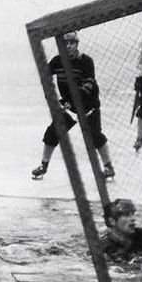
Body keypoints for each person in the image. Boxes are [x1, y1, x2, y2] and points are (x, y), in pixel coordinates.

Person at [31, 31, 115, 180]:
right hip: (68, 107)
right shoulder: (57, 61)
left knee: (96, 136)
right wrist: (52, 99)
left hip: (88, 106)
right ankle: (43, 166)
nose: (68, 46)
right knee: (52, 133)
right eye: (65, 43)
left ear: (77, 44)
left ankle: (108, 167)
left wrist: (67, 102)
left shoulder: (86, 61)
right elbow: (45, 78)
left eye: (72, 43)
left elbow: (88, 86)